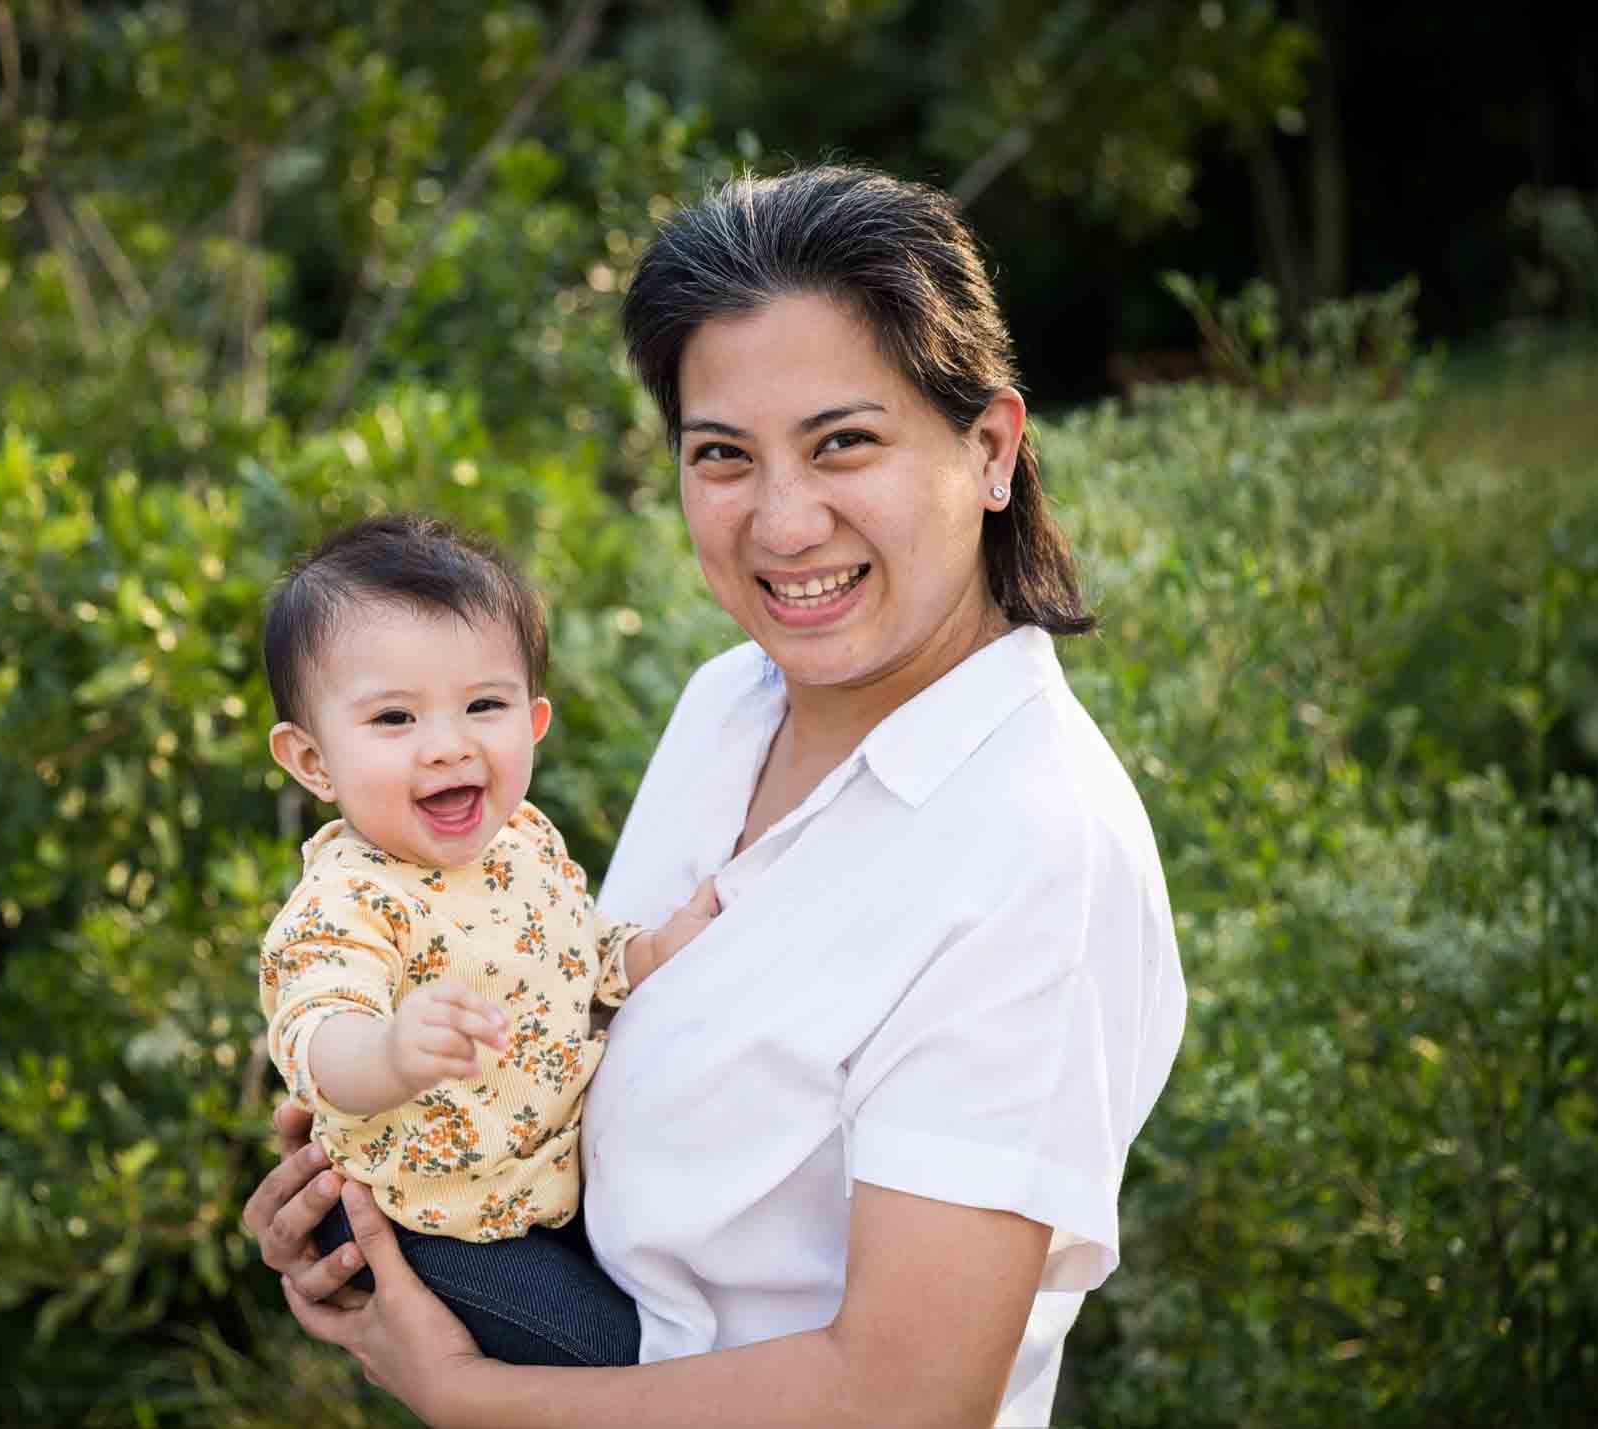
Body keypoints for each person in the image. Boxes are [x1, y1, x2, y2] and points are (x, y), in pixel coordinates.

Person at [244, 163, 1188, 1428]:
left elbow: (907, 1398)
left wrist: (472, 1394)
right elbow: (581, 1027)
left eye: (843, 441)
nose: (784, 522)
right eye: (723, 455)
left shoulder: (1031, 846)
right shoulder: (730, 698)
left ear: (990, 450)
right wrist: (379, 1217)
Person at [256, 514, 720, 1367]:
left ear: (534, 720)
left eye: (484, 705)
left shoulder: (524, 845)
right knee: (613, 1357)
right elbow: (319, 1033)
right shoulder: (352, 897)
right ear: (313, 761)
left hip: (532, 1191)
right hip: (429, 1220)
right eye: (394, 718)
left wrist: (649, 952)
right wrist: (391, 1050)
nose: (448, 744)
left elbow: (573, 953)